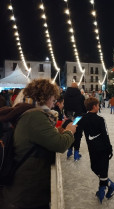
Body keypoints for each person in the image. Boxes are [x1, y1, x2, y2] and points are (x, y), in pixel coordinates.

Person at [1, 78, 76, 209]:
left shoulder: (27, 112)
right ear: (44, 98)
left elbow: (36, 137)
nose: (53, 105)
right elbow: (60, 144)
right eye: (53, 100)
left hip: (22, 191)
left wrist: (57, 130)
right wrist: (69, 131)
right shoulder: (34, 116)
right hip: (26, 195)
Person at [78, 97, 114, 203]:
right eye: (98, 105)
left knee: (97, 169)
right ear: (94, 107)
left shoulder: (82, 118)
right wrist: (110, 148)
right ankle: (112, 187)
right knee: (100, 170)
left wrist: (66, 122)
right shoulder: (100, 119)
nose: (99, 106)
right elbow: (106, 135)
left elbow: (74, 125)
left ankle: (103, 190)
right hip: (103, 149)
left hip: (93, 149)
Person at [64, 82, 86, 161]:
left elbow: (65, 107)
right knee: (78, 134)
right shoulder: (80, 96)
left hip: (69, 117)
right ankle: (76, 154)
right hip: (78, 117)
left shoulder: (66, 95)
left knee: (70, 132)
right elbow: (84, 108)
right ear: (77, 88)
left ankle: (69, 151)